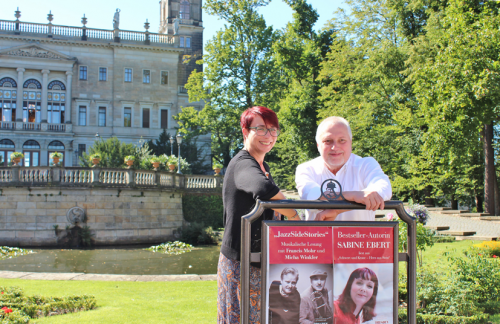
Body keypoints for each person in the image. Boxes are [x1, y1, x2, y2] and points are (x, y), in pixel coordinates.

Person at [217, 106, 301, 324]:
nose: (269, 136)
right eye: (261, 129)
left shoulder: (263, 165)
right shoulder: (243, 163)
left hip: (257, 259)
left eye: (273, 130)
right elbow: (263, 190)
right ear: (246, 132)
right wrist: (294, 216)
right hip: (241, 263)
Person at [295, 116, 392, 221]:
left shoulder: (366, 164)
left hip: (359, 236)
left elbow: (384, 189)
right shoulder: (306, 169)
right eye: (328, 141)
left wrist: (337, 210)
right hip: (321, 236)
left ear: (351, 142)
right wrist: (354, 195)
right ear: (318, 145)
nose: (335, 147)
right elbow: (312, 196)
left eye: (342, 140)